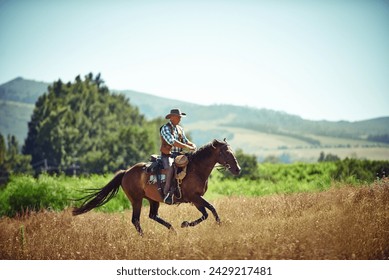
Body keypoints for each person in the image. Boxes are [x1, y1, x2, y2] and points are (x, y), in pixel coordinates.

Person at [160, 108, 196, 204]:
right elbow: (172, 141)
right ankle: (168, 193)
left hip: (178, 155)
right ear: (172, 117)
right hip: (168, 155)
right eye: (178, 117)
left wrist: (192, 145)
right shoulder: (165, 128)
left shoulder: (180, 129)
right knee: (171, 168)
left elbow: (185, 140)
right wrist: (186, 147)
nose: (180, 119)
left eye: (180, 117)